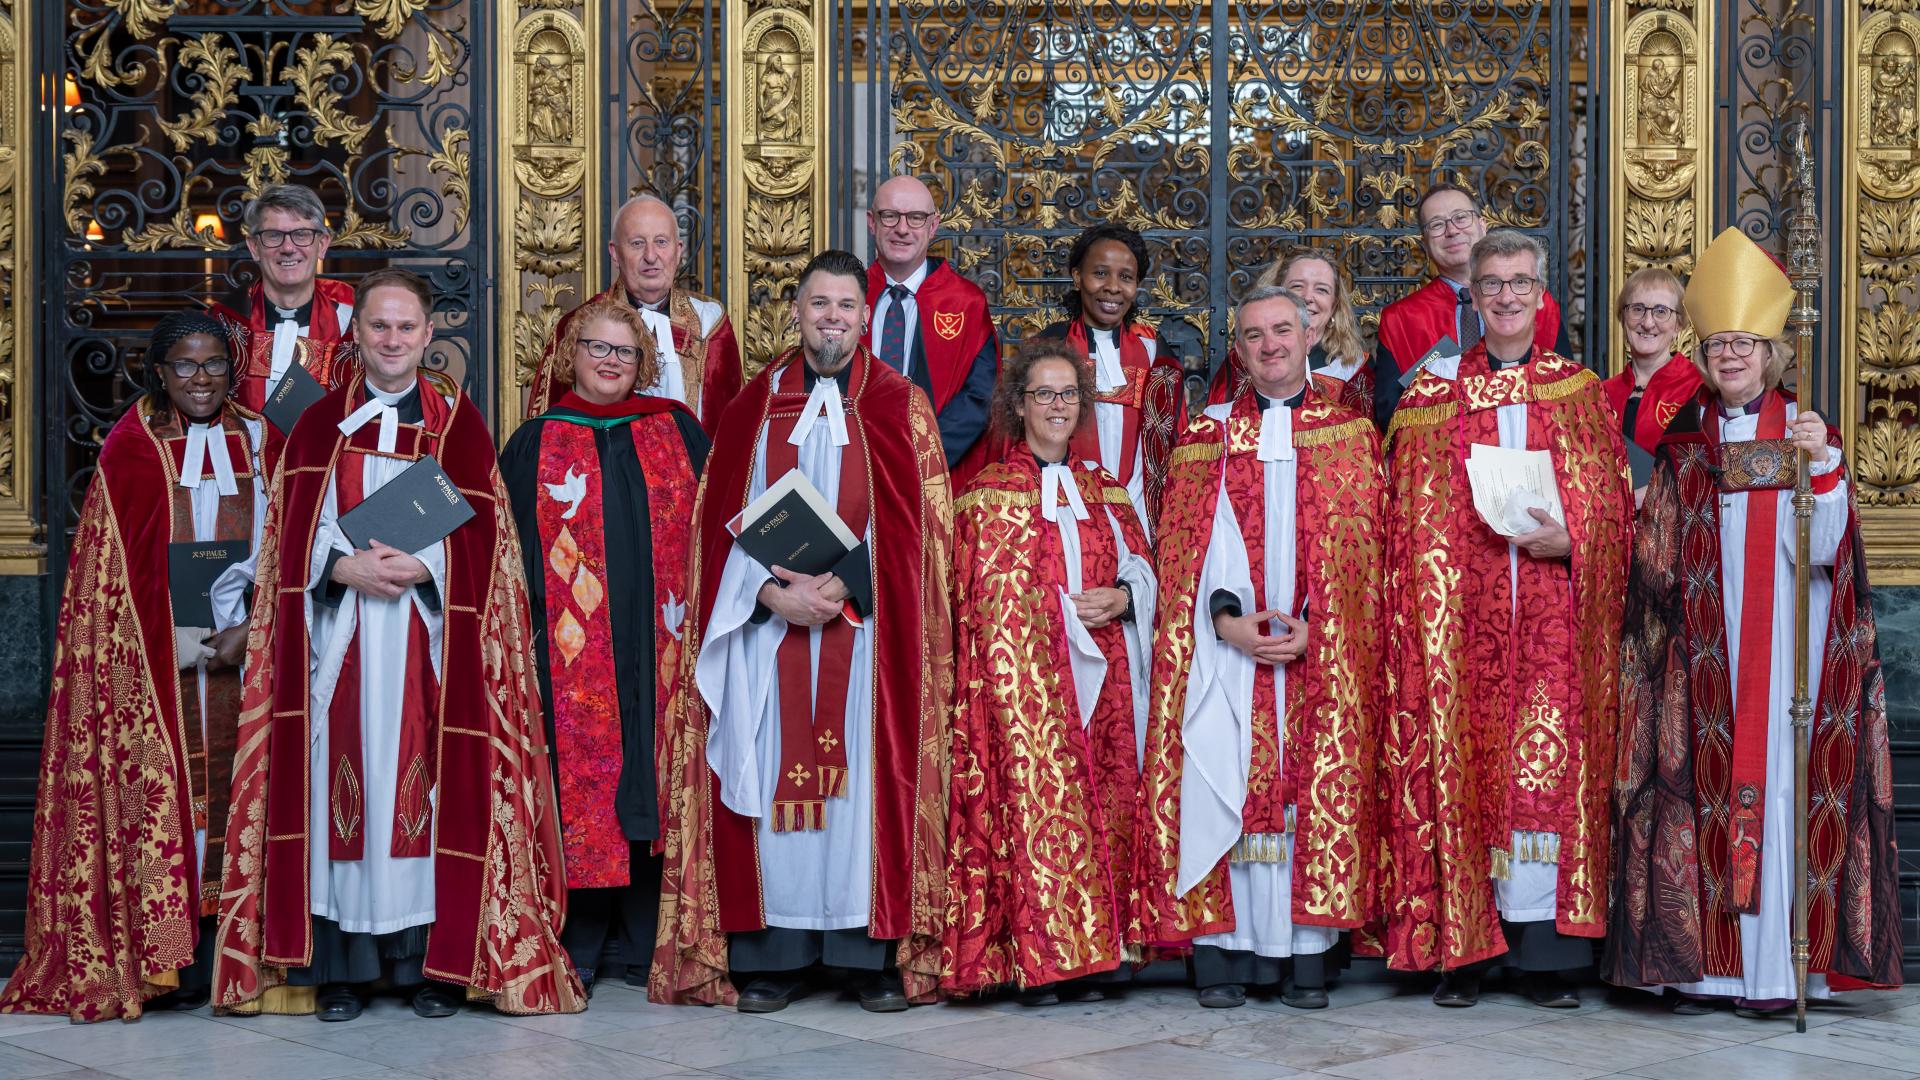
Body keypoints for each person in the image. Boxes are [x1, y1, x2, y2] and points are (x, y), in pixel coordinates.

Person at [212, 269, 583, 1020]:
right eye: (378, 327)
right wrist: (338, 565)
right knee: (344, 797)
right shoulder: (316, 426)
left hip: (426, 642)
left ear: (428, 335)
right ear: (357, 334)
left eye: (406, 328)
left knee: (425, 792)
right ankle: (344, 971)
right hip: (340, 640)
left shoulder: (458, 424)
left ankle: (427, 968)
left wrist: (430, 563)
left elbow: (492, 549)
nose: (391, 340)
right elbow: (287, 537)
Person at [1607, 227, 1904, 1014]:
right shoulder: (1686, 446)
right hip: (1707, 656)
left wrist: (1824, 470)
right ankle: (1712, 970)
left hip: (1787, 656)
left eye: (1746, 343)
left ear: (1773, 353)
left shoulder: (1807, 433)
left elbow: (1832, 556)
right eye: (1718, 344)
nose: (1731, 355)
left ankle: (1778, 971)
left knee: (1783, 794)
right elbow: (1657, 564)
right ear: (1701, 356)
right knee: (1704, 796)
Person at [652, 250, 952, 1013]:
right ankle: (774, 957)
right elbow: (713, 535)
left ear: (864, 314)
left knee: (864, 792)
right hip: (766, 629)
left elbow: (927, 533)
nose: (832, 320)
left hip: (867, 640)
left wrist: (849, 583)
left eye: (846, 306)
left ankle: (865, 956)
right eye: (819, 305)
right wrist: (764, 593)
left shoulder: (899, 403)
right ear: (796, 309)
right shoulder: (753, 405)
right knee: (769, 781)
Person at [1382, 230, 1631, 1009]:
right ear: (1474, 296)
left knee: (1545, 781)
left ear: (1541, 292)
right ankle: (1465, 954)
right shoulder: (1432, 393)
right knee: (1464, 770)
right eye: (1492, 284)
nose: (1507, 296)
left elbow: (1619, 510)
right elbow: (1403, 517)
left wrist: (1578, 536)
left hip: (1555, 623)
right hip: (1460, 621)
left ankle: (1543, 961)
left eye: (1521, 282)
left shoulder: (1578, 391)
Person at [1, 314, 274, 1021]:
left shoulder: (260, 439)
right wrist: (168, 638)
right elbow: (108, 582)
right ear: (159, 372)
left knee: (247, 800)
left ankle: (239, 957)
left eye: (214, 363)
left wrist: (255, 624)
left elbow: (288, 542)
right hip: (164, 660)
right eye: (185, 366)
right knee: (174, 801)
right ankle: (168, 959)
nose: (202, 378)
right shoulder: (131, 448)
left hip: (249, 652)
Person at [1136, 285, 1386, 1011]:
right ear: (1238, 351)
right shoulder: (1204, 436)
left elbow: (1366, 560)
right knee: (1224, 768)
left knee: (1311, 791)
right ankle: (1224, 957)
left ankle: (1306, 960)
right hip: (1228, 655)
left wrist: (1323, 629)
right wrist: (1224, 623)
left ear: (1311, 335)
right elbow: (1185, 555)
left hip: (1318, 654)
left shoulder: (1351, 436)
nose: (1270, 344)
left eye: (1283, 330)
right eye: (1253, 335)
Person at [501, 297, 709, 996]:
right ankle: (582, 935)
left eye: (624, 351)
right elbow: (510, 551)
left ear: (643, 361)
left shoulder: (679, 432)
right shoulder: (535, 441)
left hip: (663, 640)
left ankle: (650, 937)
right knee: (581, 775)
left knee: (656, 770)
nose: (611, 362)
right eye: (597, 347)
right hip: (571, 650)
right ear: (572, 353)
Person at [943, 340, 1156, 1005]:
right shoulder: (983, 498)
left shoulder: (1107, 489)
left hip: (1105, 689)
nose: (1058, 407)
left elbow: (1145, 570)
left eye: (1069, 395)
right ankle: (1036, 961)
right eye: (1044, 395)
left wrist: (1122, 599)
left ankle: (1101, 958)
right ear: (1017, 405)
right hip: (1022, 692)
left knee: (1109, 805)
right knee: (1028, 811)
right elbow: (967, 604)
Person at [529, 194, 743, 434]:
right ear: (615, 252)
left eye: (661, 242)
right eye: (637, 243)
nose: (651, 256)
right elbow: (550, 431)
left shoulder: (709, 322)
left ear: (678, 249)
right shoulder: (578, 325)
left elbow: (730, 427)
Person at [1373, 184, 1570, 430]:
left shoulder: (1535, 303)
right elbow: (1388, 415)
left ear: (1482, 225)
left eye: (1461, 217)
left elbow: (1565, 390)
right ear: (1424, 244)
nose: (1452, 230)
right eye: (1436, 224)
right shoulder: (1400, 320)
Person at [1034, 223, 1186, 534]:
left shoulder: (1152, 348)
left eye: (1126, 277)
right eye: (1100, 273)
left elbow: (1171, 436)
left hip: (1139, 508)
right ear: (1078, 277)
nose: (1113, 287)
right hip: (1063, 501)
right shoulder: (1050, 347)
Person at [863, 175, 1000, 487]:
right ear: (872, 222)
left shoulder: (966, 302)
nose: (902, 228)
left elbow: (979, 398)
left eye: (915, 218)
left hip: (934, 473)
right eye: (890, 216)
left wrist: (919, 459)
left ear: (933, 226)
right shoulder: (847, 297)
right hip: (853, 467)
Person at [209, 184, 358, 413]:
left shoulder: (352, 326)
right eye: (273, 235)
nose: (288, 248)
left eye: (301, 234)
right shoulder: (224, 323)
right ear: (254, 247)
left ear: (322, 245)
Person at [1209, 249, 1373, 417]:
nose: (1308, 297)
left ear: (1335, 304)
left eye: (1321, 290)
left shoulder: (1353, 366)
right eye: (1297, 286)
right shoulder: (1244, 359)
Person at [1600, 267, 1701, 455]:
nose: (1647, 323)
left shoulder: (1698, 388)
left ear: (1678, 324)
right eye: (1637, 309)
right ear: (1623, 318)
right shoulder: (1601, 394)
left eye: (1661, 312)